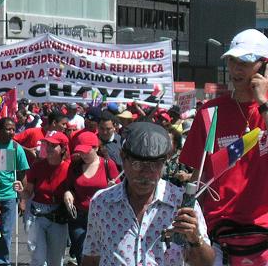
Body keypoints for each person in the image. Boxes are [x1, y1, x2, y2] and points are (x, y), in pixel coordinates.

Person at [180, 28, 268, 264]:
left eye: (244, 62)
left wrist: (263, 103)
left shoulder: (266, 108)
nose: (236, 70)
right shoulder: (210, 112)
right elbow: (195, 177)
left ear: (264, 66)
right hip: (217, 235)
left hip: (264, 233)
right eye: (232, 61)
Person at [81, 122, 215, 266]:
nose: (146, 173)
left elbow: (206, 263)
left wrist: (195, 239)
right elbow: (92, 256)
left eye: (155, 165)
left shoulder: (182, 204)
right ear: (123, 157)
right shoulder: (102, 202)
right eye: (137, 164)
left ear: (164, 162)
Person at [64, 131, 120, 265]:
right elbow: (69, 186)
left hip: (103, 217)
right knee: (82, 255)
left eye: (86, 151)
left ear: (96, 148)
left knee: (101, 256)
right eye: (80, 152)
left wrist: (112, 187)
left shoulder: (108, 164)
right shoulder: (75, 165)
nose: (83, 155)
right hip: (79, 218)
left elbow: (120, 190)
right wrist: (68, 193)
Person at [21, 131, 71, 266]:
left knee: (55, 259)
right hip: (36, 215)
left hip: (58, 215)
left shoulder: (69, 168)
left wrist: (69, 196)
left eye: (53, 145)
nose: (48, 148)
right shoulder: (38, 166)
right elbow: (28, 192)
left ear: (63, 149)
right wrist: (21, 192)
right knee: (38, 257)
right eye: (47, 144)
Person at [0, 117, 29, 266]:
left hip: (9, 197)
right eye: (8, 129)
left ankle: (2, 262)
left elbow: (22, 174)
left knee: (5, 233)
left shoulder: (16, 147)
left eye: (13, 129)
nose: (12, 132)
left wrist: (23, 199)